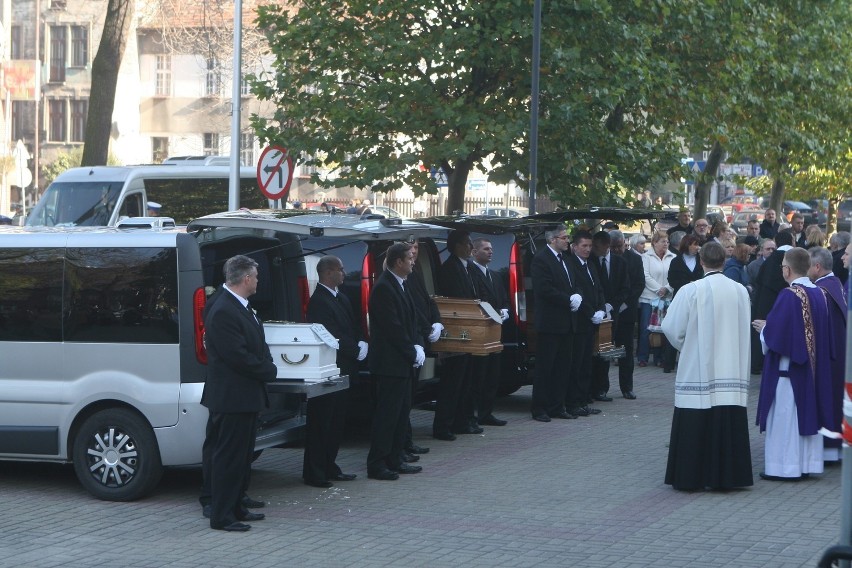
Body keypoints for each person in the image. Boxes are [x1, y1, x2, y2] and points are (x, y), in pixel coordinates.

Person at [662, 242, 753, 491]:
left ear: (701, 261)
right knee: (726, 418)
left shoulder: (691, 290)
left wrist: (688, 345)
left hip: (698, 369)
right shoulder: (740, 291)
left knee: (697, 415)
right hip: (731, 369)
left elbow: (670, 327)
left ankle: (691, 477)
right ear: (724, 260)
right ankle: (728, 478)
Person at [202, 255, 278, 531]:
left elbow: (258, 342)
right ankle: (221, 515)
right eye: (256, 277)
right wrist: (268, 370)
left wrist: (267, 362)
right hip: (231, 397)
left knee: (242, 456)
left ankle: (236, 506)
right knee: (228, 457)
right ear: (246, 278)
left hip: (245, 396)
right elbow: (237, 356)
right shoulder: (223, 309)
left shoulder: (242, 307)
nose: (258, 281)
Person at [754, 247, 834, 481]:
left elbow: (779, 336)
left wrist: (764, 329)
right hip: (812, 369)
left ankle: (784, 467)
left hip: (789, 370)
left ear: (787, 270)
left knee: (785, 420)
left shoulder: (789, 295)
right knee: (804, 416)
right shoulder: (819, 293)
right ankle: (807, 463)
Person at [303, 255, 365, 488]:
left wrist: (361, 342)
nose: (344, 273)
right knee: (322, 422)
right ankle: (315, 471)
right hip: (330, 368)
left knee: (337, 421)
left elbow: (353, 325)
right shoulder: (319, 301)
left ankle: (330, 465)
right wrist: (353, 349)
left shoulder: (342, 298)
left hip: (345, 367)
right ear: (328, 273)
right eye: (340, 269)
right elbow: (330, 335)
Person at [366, 243, 424, 480]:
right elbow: (393, 329)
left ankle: (396, 458)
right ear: (398, 262)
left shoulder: (401, 285)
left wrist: (419, 343)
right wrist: (412, 351)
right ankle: (377, 464)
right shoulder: (383, 288)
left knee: (401, 415)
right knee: (387, 416)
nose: (413, 261)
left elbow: (413, 319)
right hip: (390, 364)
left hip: (403, 363)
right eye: (409, 258)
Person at [530, 227, 580, 422]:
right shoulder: (542, 260)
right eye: (564, 237)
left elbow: (573, 283)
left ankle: (557, 406)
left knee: (562, 367)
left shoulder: (566, 259)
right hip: (550, 323)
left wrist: (576, 295)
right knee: (545, 368)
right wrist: (568, 299)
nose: (567, 241)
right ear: (552, 240)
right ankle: (539, 408)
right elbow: (544, 289)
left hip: (567, 322)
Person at [433, 230, 480, 440]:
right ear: (458, 246)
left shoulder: (468, 267)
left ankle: (463, 421)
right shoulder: (449, 269)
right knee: (452, 383)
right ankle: (444, 425)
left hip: (470, 332)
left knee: (466, 382)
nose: (471, 248)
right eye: (468, 244)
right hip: (456, 332)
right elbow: (456, 301)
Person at [403, 239, 441, 456]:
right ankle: (403, 443)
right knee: (404, 400)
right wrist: (427, 328)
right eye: (411, 247)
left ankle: (406, 442)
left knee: (410, 397)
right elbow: (413, 310)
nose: (415, 251)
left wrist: (436, 320)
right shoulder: (401, 278)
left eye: (417, 247)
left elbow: (427, 300)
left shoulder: (414, 273)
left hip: (420, 336)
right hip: (412, 340)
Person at [808, 246, 846, 463]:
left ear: (818, 266)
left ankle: (828, 450)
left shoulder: (821, 291)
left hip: (827, 355)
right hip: (838, 354)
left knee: (827, 399)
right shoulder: (835, 285)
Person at [468, 238, 510, 425]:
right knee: (479, 375)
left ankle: (486, 412)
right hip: (481, 332)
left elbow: (503, 299)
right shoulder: (471, 274)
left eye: (491, 249)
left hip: (495, 331)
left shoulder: (495, 275)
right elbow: (477, 300)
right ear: (474, 252)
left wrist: (505, 310)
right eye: (485, 249)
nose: (490, 252)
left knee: (493, 375)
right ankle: (474, 414)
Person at [565, 230, 606, 417]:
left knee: (586, 364)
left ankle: (583, 400)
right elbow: (578, 292)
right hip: (579, 321)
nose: (588, 249)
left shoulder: (590, 265)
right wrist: (590, 312)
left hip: (591, 322)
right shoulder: (572, 265)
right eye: (584, 246)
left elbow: (597, 289)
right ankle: (573, 402)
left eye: (590, 246)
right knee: (576, 363)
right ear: (574, 247)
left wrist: (601, 308)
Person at [590, 231, 629, 402]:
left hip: (613, 312)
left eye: (596, 247)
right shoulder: (591, 261)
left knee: (606, 350)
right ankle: (593, 386)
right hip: (594, 312)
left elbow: (625, 288)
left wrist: (611, 305)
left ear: (606, 246)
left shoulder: (620, 262)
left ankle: (602, 388)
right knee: (593, 351)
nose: (593, 250)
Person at [751, 230, 795, 375]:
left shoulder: (769, 261)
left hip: (766, 303)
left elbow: (759, 282)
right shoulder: (796, 258)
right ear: (792, 241)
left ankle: (758, 363)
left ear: (777, 242)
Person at [663, 234, 704, 373]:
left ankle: (689, 363)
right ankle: (668, 363)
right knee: (677, 327)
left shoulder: (701, 260)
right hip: (681, 297)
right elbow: (672, 279)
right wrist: (687, 286)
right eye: (694, 244)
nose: (696, 247)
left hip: (698, 298)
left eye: (698, 244)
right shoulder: (676, 261)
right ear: (687, 245)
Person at [610, 230, 642, 399]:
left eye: (619, 246)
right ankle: (603, 386)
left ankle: (626, 386)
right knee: (607, 350)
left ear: (625, 243)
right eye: (613, 247)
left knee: (626, 351)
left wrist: (625, 303)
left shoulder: (635, 259)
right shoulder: (606, 259)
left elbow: (639, 284)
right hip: (609, 311)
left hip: (627, 312)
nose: (616, 250)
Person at [637, 231, 675, 367]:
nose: (666, 244)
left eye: (667, 242)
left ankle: (659, 358)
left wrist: (667, 288)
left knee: (662, 329)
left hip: (666, 299)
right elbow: (645, 276)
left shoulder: (673, 257)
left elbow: (674, 275)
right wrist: (659, 289)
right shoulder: (646, 257)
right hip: (650, 298)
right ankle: (643, 356)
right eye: (663, 241)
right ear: (654, 242)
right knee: (646, 328)